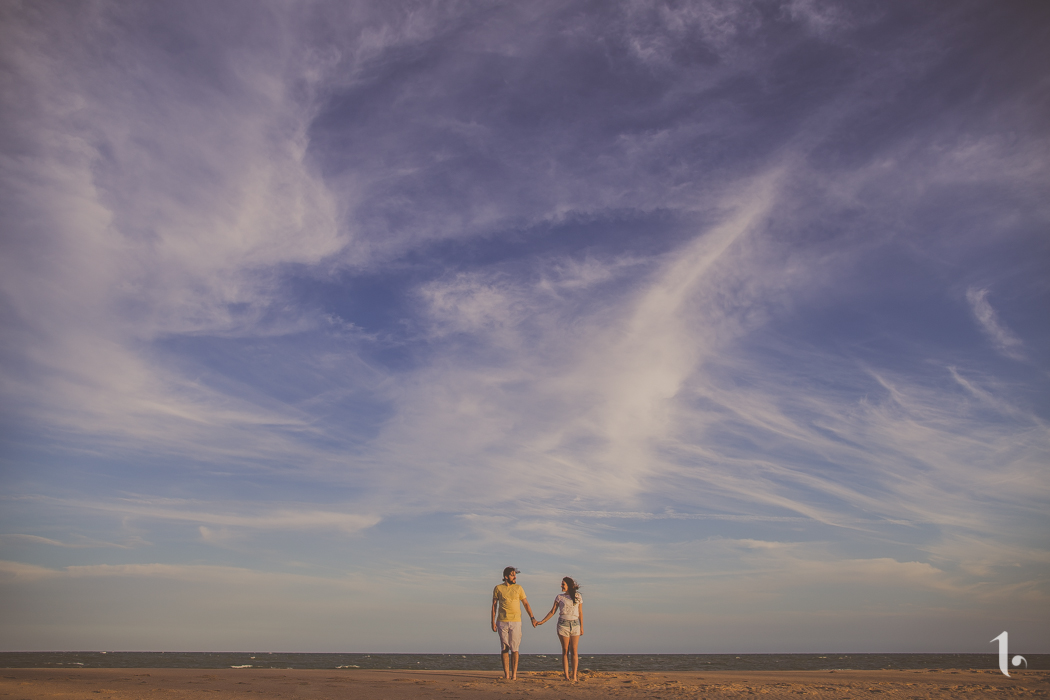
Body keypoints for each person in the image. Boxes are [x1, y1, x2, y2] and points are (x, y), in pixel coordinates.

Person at [491, 566, 536, 680]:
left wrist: (532, 617)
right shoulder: (498, 588)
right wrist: (493, 621)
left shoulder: (519, 588)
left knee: (515, 648)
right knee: (504, 648)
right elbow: (494, 606)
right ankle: (507, 674)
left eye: (515, 575)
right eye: (512, 575)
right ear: (506, 577)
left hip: (516, 621)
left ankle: (514, 675)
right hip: (502, 621)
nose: (514, 577)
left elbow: (526, 604)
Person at [535, 576, 583, 681]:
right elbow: (552, 611)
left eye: (563, 584)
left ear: (568, 585)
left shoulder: (578, 596)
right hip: (563, 624)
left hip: (575, 624)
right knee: (565, 650)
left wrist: (582, 627)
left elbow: (580, 612)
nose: (561, 586)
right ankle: (566, 676)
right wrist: (542, 621)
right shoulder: (559, 597)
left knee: (574, 650)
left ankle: (574, 675)